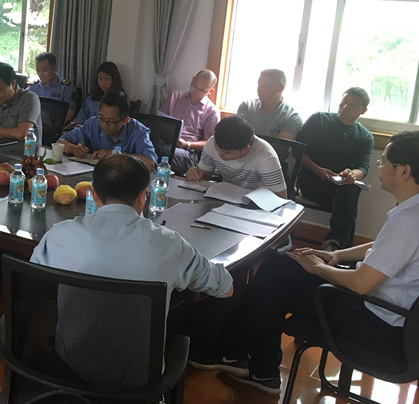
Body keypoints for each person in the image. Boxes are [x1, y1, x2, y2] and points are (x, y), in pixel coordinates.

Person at [190, 130, 419, 395]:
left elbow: (360, 284)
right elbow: (382, 245)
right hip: (393, 318)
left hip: (376, 324)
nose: (379, 167)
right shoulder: (412, 212)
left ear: (404, 172)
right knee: (280, 266)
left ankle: (239, 357)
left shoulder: (408, 221)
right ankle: (250, 363)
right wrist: (337, 256)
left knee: (276, 282)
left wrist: (320, 268)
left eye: (383, 162)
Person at [31, 154, 233, 387]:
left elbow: (34, 277)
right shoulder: (170, 244)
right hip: (140, 382)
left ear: (93, 193)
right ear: (143, 196)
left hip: (70, 370)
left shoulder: (61, 235)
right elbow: (225, 288)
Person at [296, 88, 374, 251]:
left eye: (352, 105)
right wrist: (318, 170)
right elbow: (297, 151)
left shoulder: (364, 136)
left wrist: (352, 174)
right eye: (343, 102)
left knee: (351, 190)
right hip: (311, 180)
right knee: (349, 207)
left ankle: (333, 243)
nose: (345, 107)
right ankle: (337, 247)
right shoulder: (319, 120)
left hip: (339, 186)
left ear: (363, 110)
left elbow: (363, 167)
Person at [186, 116, 287, 199]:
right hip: (225, 196)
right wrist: (194, 175)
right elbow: (203, 177)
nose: (219, 154)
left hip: (254, 203)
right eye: (217, 148)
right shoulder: (212, 142)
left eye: (226, 153)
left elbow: (281, 199)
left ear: (246, 149)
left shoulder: (266, 157)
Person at [58, 90, 157, 170]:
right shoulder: (93, 124)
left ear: (125, 120)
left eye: (111, 121)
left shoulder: (138, 131)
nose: (104, 124)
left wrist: (116, 155)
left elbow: (150, 163)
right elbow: (60, 143)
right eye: (101, 118)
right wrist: (73, 148)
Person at [160, 69, 220, 174]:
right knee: (143, 145)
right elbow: (159, 120)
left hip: (188, 152)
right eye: (194, 85)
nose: (195, 91)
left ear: (210, 91)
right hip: (164, 142)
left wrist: (186, 144)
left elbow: (209, 143)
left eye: (202, 90)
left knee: (159, 151)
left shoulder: (212, 111)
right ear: (193, 79)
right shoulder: (174, 97)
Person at [236, 69, 302, 139]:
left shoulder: (292, 118)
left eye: (264, 86)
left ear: (280, 88)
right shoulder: (247, 107)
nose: (258, 89)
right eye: (259, 85)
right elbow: (237, 138)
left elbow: (280, 144)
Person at [27, 52, 77, 124]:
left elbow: (71, 112)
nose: (40, 74)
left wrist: (56, 125)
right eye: (38, 70)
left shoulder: (65, 88)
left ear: (54, 69)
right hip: (34, 124)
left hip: (55, 125)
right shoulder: (33, 88)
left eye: (44, 70)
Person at [72, 61, 125, 125]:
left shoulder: (119, 100)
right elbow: (81, 117)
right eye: (100, 79)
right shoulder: (91, 99)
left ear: (114, 80)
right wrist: (75, 124)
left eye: (107, 80)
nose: (102, 83)